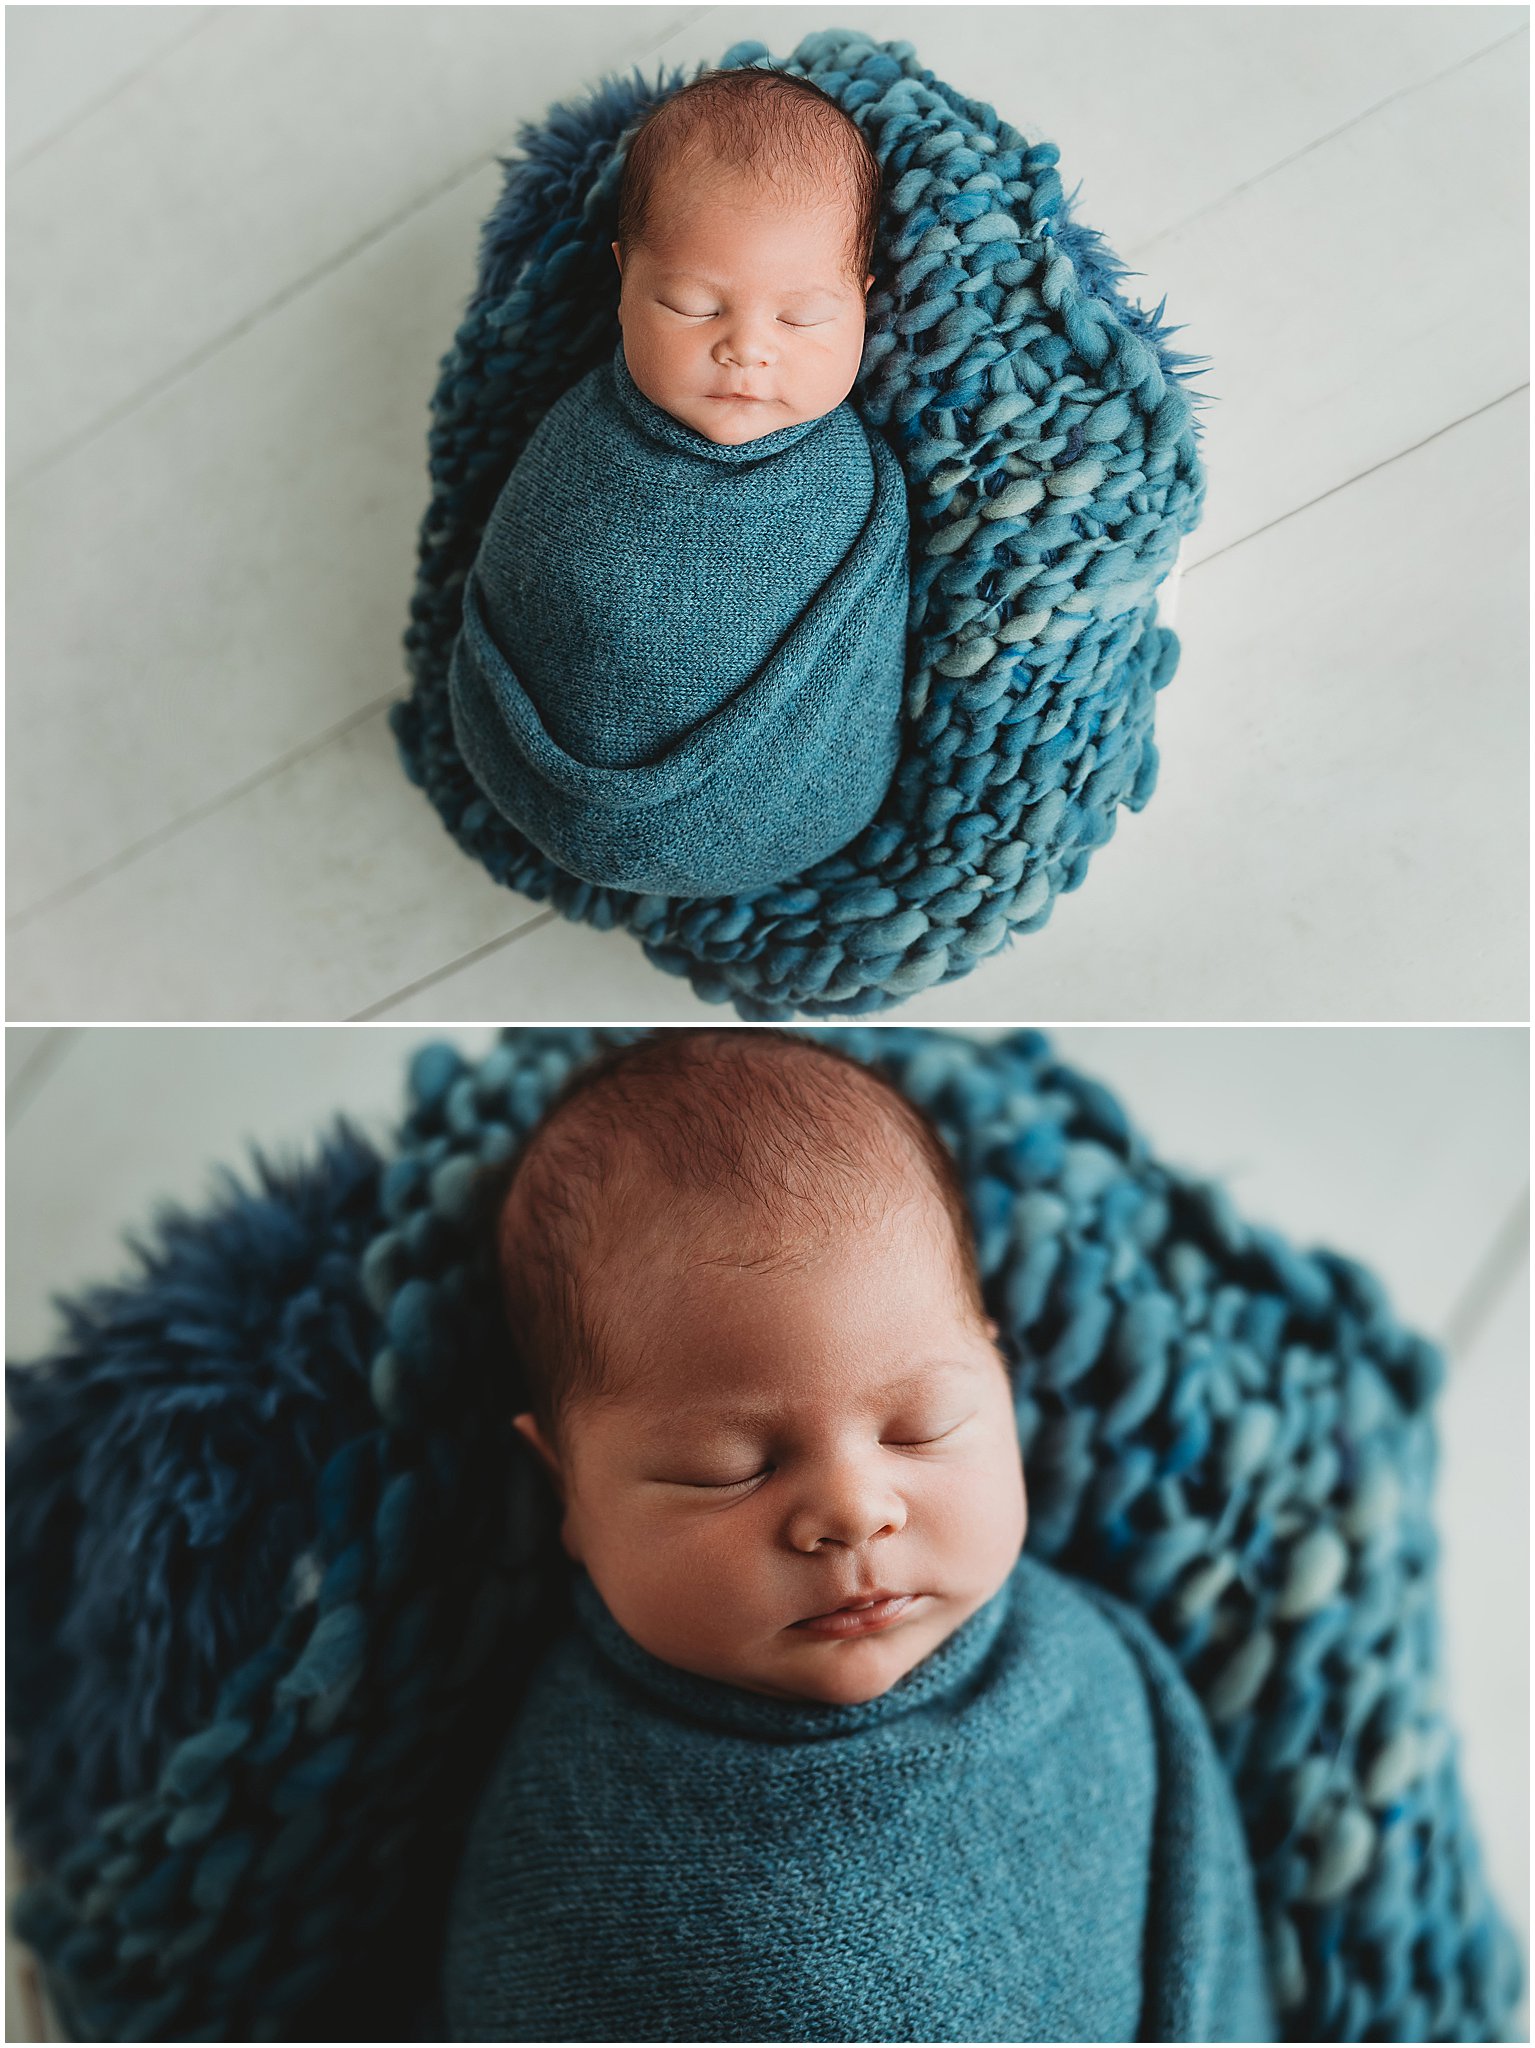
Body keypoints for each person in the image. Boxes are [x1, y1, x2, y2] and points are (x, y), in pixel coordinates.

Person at [442, 1030, 1277, 2043]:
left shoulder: (1091, 1668)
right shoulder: (573, 1832)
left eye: (917, 1426)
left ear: (999, 1383)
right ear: (566, 1487)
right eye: (728, 1466)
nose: (851, 1510)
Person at [448, 68, 910, 898]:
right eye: (695, 306)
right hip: (529, 777)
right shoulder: (576, 434)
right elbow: (521, 569)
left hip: (790, 809)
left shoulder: (856, 480)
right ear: (623, 284)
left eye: (802, 317)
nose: (747, 349)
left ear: (863, 303)